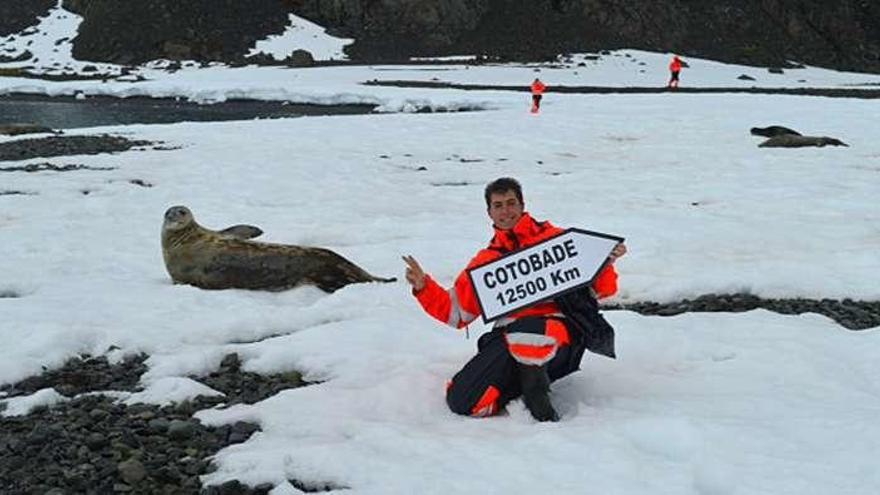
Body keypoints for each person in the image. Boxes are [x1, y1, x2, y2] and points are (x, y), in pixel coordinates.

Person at [403, 177, 627, 422]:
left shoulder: (558, 241)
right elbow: (456, 314)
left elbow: (603, 291)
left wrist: (605, 262)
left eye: (511, 203)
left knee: (531, 329)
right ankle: (523, 384)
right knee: (462, 401)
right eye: (498, 205)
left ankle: (537, 400)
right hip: (509, 338)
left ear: (522, 205)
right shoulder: (485, 263)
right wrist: (424, 287)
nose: (505, 211)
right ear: (489, 212)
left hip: (560, 335)